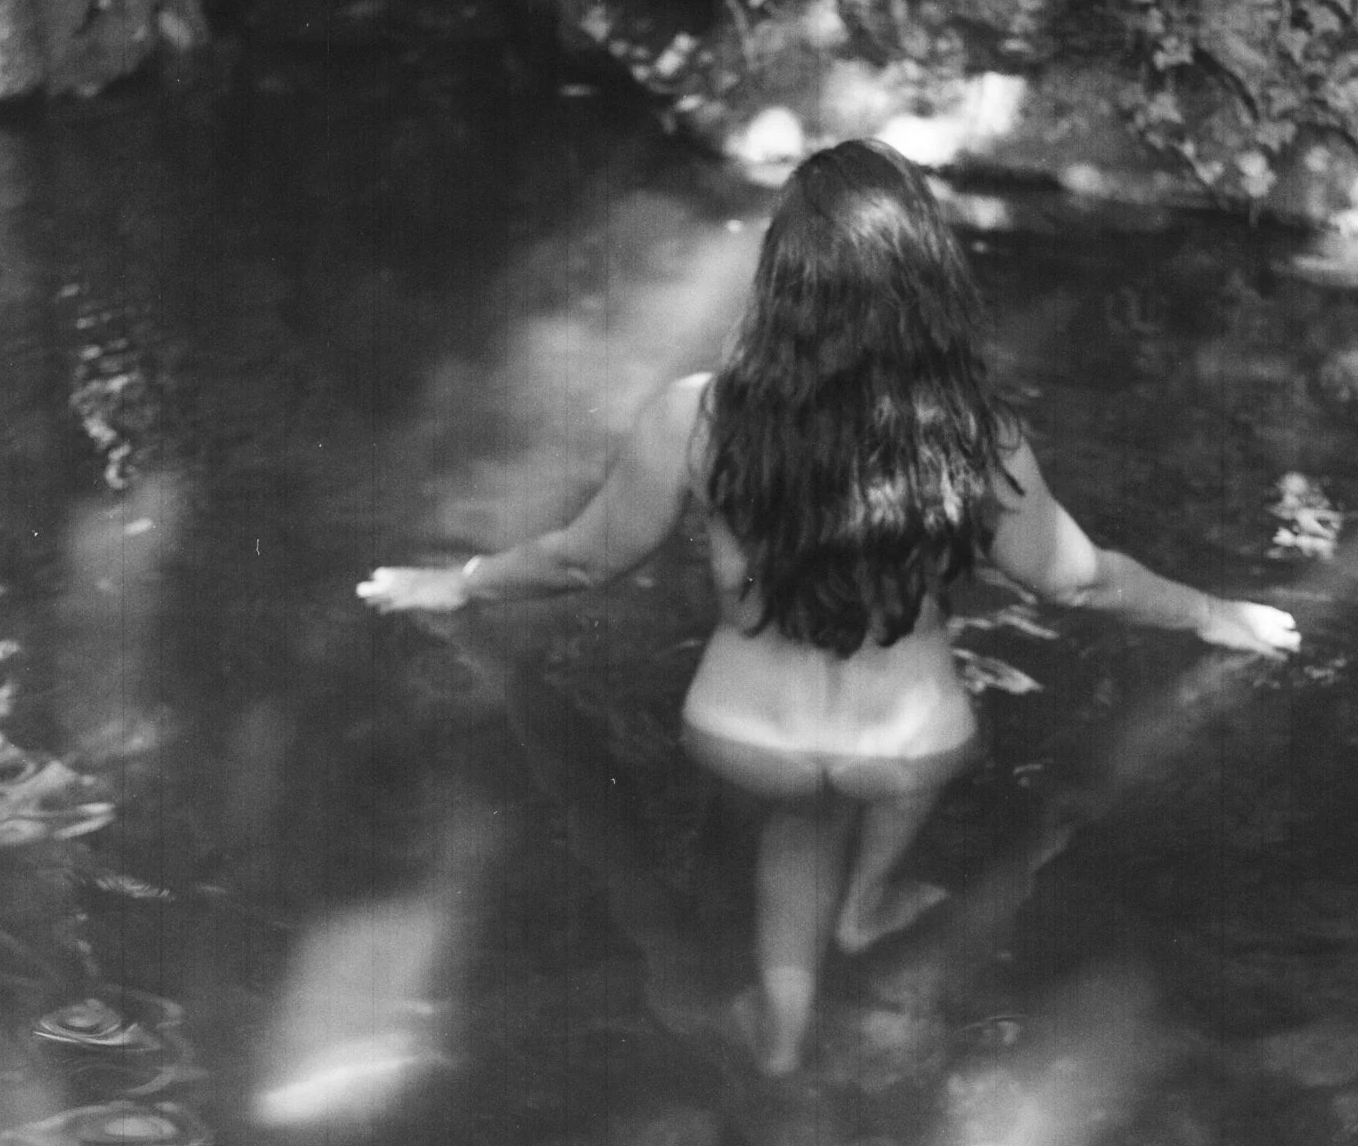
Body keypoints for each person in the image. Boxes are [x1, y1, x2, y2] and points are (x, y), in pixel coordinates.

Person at [359, 141, 1298, 1075]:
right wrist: (1215, 612)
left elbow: (577, 561)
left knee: (794, 821)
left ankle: (782, 1024)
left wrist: (460, 580)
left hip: (741, 733)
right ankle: (868, 901)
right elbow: (1078, 580)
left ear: (780, 280)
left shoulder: (697, 419)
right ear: (926, 279)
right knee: (886, 806)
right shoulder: (975, 437)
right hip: (908, 744)